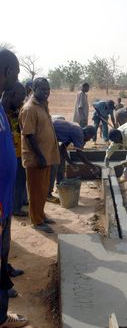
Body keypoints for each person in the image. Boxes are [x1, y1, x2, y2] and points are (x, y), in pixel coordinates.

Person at [0, 48, 28, 327]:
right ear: (8, 72)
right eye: (16, 72)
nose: (17, 78)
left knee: (2, 254)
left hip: (4, 202)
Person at [19, 78, 60, 234]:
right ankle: (36, 221)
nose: (46, 92)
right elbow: (28, 135)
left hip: (46, 156)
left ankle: (41, 215)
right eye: (42, 89)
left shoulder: (43, 105)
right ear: (33, 89)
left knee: (43, 190)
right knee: (35, 191)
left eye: (48, 89)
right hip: (36, 158)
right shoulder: (30, 109)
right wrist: (40, 156)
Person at [48, 120, 99, 197]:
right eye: (90, 137)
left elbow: (62, 148)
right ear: (87, 133)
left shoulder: (77, 130)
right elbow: (80, 154)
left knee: (61, 159)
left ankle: (61, 185)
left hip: (52, 134)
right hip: (47, 134)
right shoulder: (79, 134)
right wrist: (92, 166)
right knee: (54, 165)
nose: (89, 140)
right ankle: (48, 193)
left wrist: (70, 163)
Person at [1, 82, 28, 216]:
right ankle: (15, 208)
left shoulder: (18, 109)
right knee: (16, 182)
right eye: (21, 97)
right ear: (12, 95)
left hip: (19, 152)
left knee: (21, 180)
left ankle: (19, 202)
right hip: (11, 155)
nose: (22, 100)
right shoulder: (3, 113)